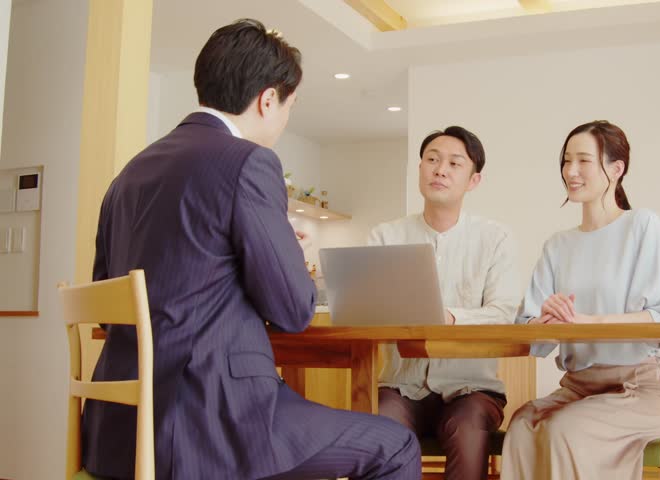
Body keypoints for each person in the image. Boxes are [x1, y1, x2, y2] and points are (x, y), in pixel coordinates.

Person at [82, 19, 420, 480]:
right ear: (267, 100)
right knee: (395, 444)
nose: (284, 120)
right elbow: (294, 309)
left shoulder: (130, 175)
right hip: (215, 425)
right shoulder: (248, 163)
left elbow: (115, 306)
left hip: (118, 431)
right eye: (289, 107)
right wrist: (280, 247)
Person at [500, 120, 660, 480]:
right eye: (566, 160)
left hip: (640, 391)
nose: (570, 171)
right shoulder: (557, 245)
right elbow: (528, 334)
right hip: (577, 389)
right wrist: (544, 321)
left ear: (616, 170)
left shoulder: (643, 226)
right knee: (522, 425)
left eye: (584, 161)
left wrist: (584, 322)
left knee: (565, 430)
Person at [368, 126, 519, 480]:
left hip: (472, 389)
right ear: (420, 168)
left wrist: (450, 317)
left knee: (467, 430)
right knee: (379, 426)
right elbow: (370, 311)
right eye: (432, 160)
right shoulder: (385, 236)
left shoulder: (496, 238)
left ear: (473, 180)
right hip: (401, 387)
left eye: (454, 163)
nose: (440, 170)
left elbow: (503, 313)